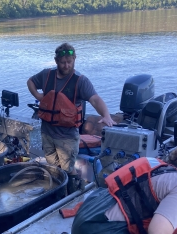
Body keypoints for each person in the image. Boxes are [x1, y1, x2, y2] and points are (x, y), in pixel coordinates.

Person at [27, 43, 115, 194]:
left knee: (68, 168)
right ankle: (57, 191)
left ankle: (75, 192)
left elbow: (94, 99)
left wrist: (106, 115)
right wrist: (38, 96)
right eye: (62, 62)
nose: (66, 65)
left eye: (70, 61)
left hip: (67, 137)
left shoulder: (81, 81)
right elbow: (30, 82)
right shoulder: (47, 74)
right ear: (56, 61)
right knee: (53, 167)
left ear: (75, 59)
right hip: (47, 132)